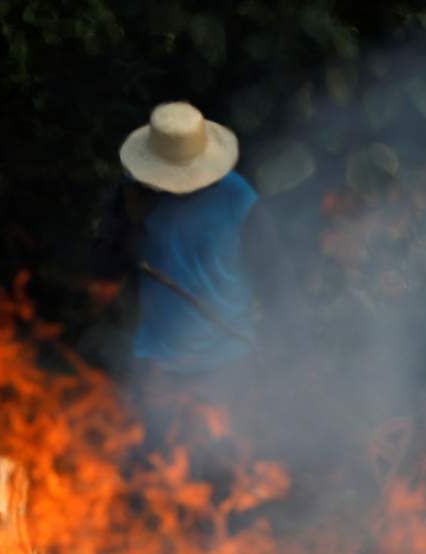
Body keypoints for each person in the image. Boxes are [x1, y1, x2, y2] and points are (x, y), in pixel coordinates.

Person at [89, 101, 285, 457]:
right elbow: (104, 267)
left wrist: (279, 351)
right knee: (154, 471)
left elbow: (274, 286)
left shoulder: (241, 203)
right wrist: (130, 226)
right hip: (158, 366)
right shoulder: (135, 195)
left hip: (226, 367)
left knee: (221, 472)